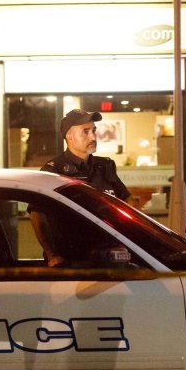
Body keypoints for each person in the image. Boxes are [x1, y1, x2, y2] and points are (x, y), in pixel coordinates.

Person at [32, 109, 130, 266]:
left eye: (94, 130)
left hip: (109, 257)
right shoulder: (53, 169)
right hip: (72, 261)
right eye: (85, 131)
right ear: (69, 136)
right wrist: (52, 255)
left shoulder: (105, 166)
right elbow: (37, 215)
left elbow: (126, 203)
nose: (92, 136)